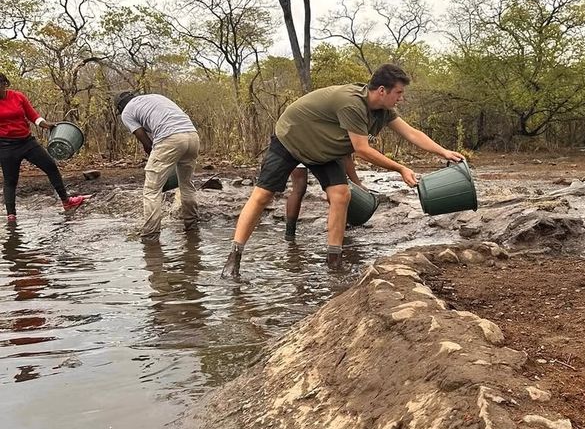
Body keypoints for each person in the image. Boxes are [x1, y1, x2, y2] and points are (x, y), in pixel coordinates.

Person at [221, 63, 463, 277]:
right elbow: (362, 149)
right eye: (399, 92)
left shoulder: (384, 111)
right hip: (292, 138)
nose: (401, 98)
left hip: (323, 150)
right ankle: (234, 256)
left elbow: (411, 133)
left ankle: (333, 260)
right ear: (382, 91)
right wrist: (400, 168)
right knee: (263, 195)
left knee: (341, 194)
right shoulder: (352, 103)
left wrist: (443, 152)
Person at [0, 73, 88, 223]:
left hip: (27, 142)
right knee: (10, 181)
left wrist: (47, 125)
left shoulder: (17, 96)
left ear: (4, 83)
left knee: (50, 166)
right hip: (6, 146)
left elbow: (33, 115)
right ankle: (11, 216)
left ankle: (66, 201)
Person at [115, 91, 200, 239]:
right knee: (186, 184)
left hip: (170, 138)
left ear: (120, 107)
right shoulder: (155, 97)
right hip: (192, 136)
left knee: (151, 190)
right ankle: (192, 226)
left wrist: (154, 158)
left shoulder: (127, 111)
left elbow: (145, 140)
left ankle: (151, 235)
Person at [284, 154, 358, 240]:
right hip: (322, 151)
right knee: (334, 189)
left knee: (298, 189)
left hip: (299, 150)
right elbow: (346, 156)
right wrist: (357, 182)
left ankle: (290, 233)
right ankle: (337, 230)